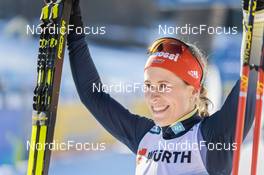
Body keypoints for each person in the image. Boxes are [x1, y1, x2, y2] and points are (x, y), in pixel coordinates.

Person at [67, 0, 263, 174]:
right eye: (149, 85)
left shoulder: (212, 137)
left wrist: (257, 25)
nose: (153, 96)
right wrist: (73, 27)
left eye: (163, 86)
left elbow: (251, 78)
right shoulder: (144, 135)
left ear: (193, 91)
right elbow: (93, 97)